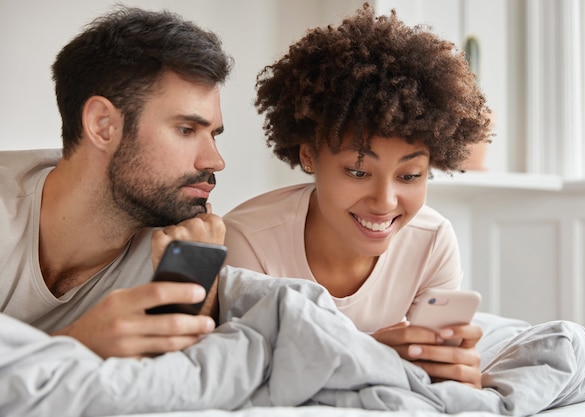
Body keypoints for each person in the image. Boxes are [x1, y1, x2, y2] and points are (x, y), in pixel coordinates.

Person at [223, 3, 492, 388]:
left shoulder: (432, 241)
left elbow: (435, 377)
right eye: (358, 171)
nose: (385, 201)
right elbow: (250, 372)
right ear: (309, 155)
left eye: (410, 175)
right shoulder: (248, 240)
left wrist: (456, 369)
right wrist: (374, 355)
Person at [0, 6, 233, 359]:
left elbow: (182, 389)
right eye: (186, 130)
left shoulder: (177, 246)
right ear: (103, 125)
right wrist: (75, 345)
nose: (215, 161)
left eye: (213, 135)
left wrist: (201, 274)